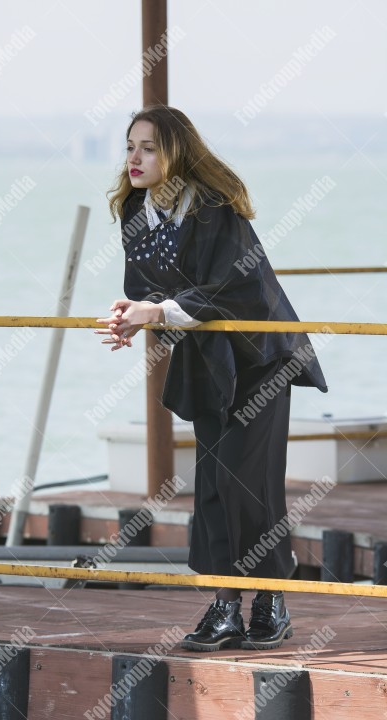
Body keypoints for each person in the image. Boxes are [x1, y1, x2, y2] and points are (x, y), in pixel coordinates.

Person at [96, 105, 327, 652]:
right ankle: (224, 605)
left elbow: (233, 289)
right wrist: (136, 315)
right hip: (208, 359)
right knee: (213, 490)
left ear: (175, 152)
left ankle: (271, 599)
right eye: (130, 145)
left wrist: (158, 312)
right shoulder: (137, 210)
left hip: (260, 358)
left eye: (148, 147)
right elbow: (152, 289)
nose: (134, 157)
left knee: (251, 485)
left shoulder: (213, 208)